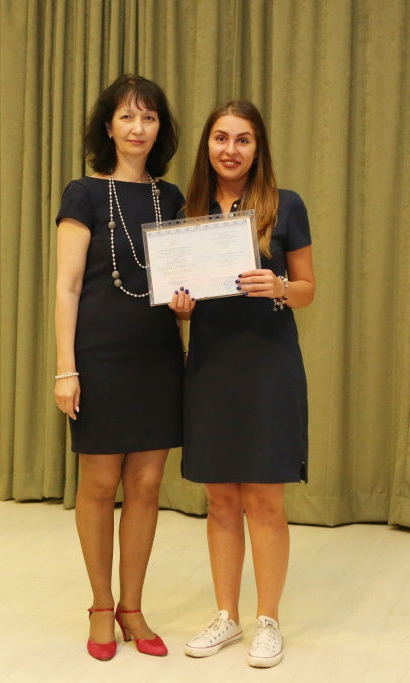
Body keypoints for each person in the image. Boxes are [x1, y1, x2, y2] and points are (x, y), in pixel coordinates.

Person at [169, 101, 315, 669]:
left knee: (264, 500)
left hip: (269, 367)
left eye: (243, 139)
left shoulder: (286, 205)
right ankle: (226, 616)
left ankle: (267, 620)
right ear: (207, 145)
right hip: (211, 367)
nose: (230, 149)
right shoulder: (187, 213)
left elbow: (307, 289)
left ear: (258, 149)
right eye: (221, 138)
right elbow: (180, 293)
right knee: (221, 499)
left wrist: (278, 286)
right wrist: (180, 307)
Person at [54, 74, 185, 661]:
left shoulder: (170, 197)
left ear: (160, 129)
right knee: (100, 484)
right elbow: (67, 287)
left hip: (158, 356)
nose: (138, 128)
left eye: (149, 117)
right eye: (127, 117)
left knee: (147, 486)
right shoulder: (83, 193)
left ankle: (133, 607)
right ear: (108, 126)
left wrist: (187, 305)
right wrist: (66, 369)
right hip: (99, 357)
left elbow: (180, 279)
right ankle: (102, 606)